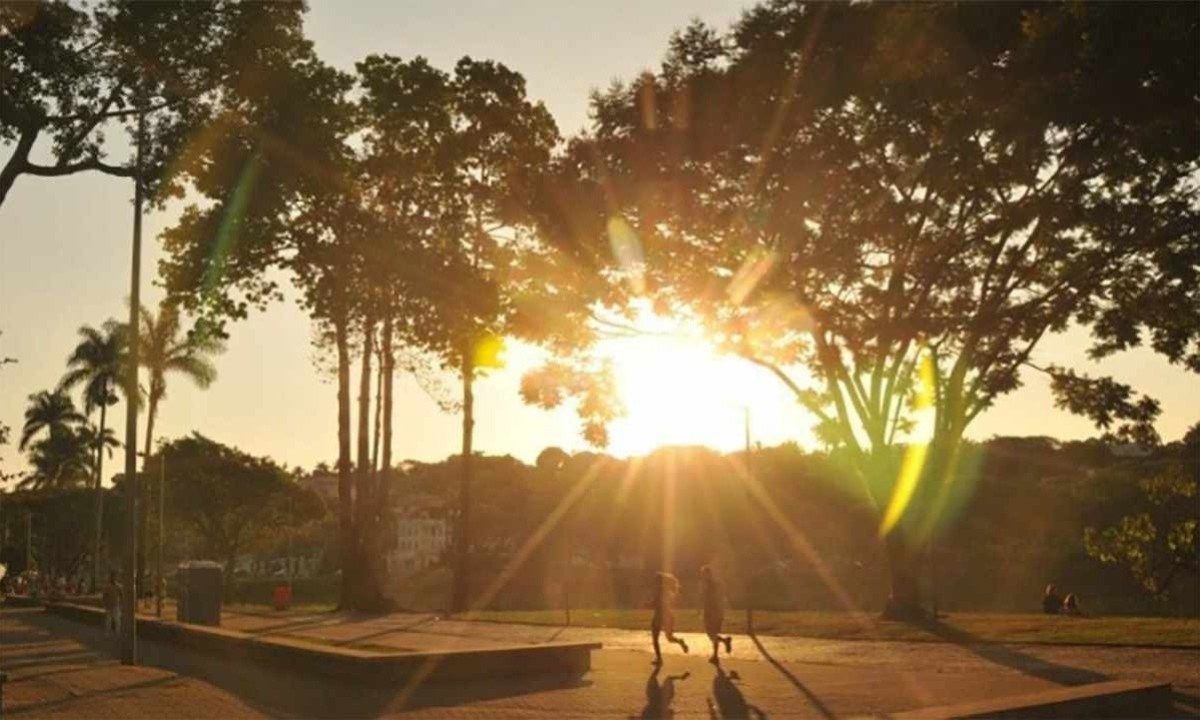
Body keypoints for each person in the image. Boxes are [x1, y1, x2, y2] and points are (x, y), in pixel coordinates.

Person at [651, 571, 688, 664]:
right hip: (668, 615)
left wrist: (648, 604)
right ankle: (680, 642)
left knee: (655, 638)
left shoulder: (659, 591)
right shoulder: (667, 590)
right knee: (669, 638)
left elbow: (658, 603)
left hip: (660, 615)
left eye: (655, 580)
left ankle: (659, 659)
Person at [700, 565, 733, 664]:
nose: (702, 576)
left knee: (711, 634)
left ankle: (724, 641)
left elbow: (708, 599)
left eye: (703, 574)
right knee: (715, 633)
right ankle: (715, 656)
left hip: (711, 612)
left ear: (707, 574)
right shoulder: (717, 583)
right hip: (718, 612)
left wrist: (705, 610)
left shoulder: (709, 585)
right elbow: (721, 596)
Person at [103, 572, 122, 636]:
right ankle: (107, 632)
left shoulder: (118, 586)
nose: (113, 578)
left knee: (117, 620)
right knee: (108, 620)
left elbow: (121, 595)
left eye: (114, 577)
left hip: (116, 605)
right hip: (109, 605)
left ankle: (118, 633)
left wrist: (121, 603)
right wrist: (105, 604)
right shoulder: (107, 586)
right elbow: (104, 596)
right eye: (112, 577)